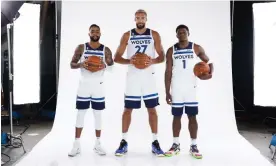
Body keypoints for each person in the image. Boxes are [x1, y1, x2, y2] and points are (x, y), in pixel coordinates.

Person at [113, 9, 165, 156]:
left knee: (152, 109)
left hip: (149, 77)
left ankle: (155, 142)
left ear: (146, 19)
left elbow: (162, 57)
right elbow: (117, 57)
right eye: (137, 18)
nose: (140, 20)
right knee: (128, 109)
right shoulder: (127, 35)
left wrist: (151, 61)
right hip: (133, 77)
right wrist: (130, 60)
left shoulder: (154, 34)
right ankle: (123, 142)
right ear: (134, 19)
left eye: (142, 17)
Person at [164, 24, 213, 159]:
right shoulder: (171, 50)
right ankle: (175, 144)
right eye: (179, 33)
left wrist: (210, 74)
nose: (181, 34)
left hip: (191, 89)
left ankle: (194, 145)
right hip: (177, 88)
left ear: (188, 33)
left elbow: (209, 62)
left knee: (192, 116)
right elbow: (168, 72)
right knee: (176, 116)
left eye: (184, 32)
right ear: (176, 35)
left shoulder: (196, 48)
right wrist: (167, 91)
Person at [68, 24, 114, 157]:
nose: (95, 33)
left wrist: (103, 64)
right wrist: (82, 64)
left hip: (98, 86)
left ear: (100, 34)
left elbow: (111, 66)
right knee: (80, 114)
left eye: (97, 31)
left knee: (98, 114)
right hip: (84, 85)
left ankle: (98, 144)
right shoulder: (81, 47)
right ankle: (76, 144)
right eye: (92, 31)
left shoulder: (106, 49)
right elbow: (72, 64)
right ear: (89, 33)